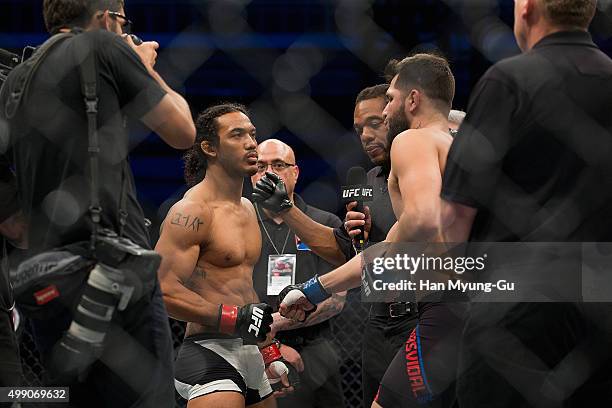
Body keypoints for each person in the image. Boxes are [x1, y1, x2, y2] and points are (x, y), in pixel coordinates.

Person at [0, 0, 195, 406]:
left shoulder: (16, 80)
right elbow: (182, 132)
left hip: (45, 272)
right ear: (106, 17)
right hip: (111, 262)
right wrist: (142, 64)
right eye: (123, 19)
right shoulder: (104, 47)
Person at [255, 53, 463, 408]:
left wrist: (317, 287)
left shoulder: (413, 142)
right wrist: (316, 286)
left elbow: (420, 222)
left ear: (412, 100)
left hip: (440, 307)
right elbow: (385, 245)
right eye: (358, 127)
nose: (379, 120)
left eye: (389, 104)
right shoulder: (460, 147)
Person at [440, 0, 612, 406]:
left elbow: (456, 211)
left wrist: (461, 284)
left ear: (528, 8)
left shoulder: (509, 78)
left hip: (517, 297)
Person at [157, 104, 284, 408]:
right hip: (209, 352)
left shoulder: (248, 208)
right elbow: (161, 290)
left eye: (252, 134)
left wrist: (268, 352)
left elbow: (243, 289)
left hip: (251, 353)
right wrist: (231, 317)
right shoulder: (192, 212)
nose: (251, 143)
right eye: (237, 135)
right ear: (209, 148)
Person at [250, 139, 346, 408]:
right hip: (250, 345)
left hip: (313, 346)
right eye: (260, 166)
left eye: (278, 165)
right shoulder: (239, 222)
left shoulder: (324, 224)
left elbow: (337, 299)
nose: (268, 173)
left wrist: (275, 326)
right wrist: (268, 346)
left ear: (295, 172)